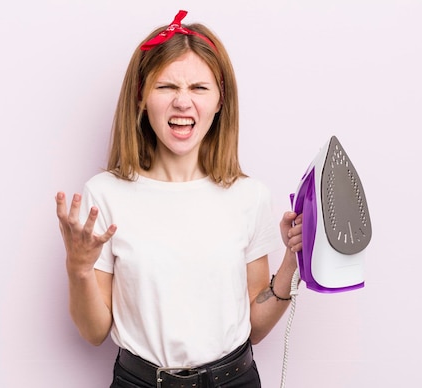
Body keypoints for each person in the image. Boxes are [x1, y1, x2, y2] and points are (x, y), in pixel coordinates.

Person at [55, 10, 303, 388]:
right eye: (166, 87)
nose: (183, 103)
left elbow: (254, 327)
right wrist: (79, 269)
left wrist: (291, 260)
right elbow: (93, 332)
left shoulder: (248, 196)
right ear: (141, 97)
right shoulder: (104, 194)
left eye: (199, 88)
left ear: (220, 101)